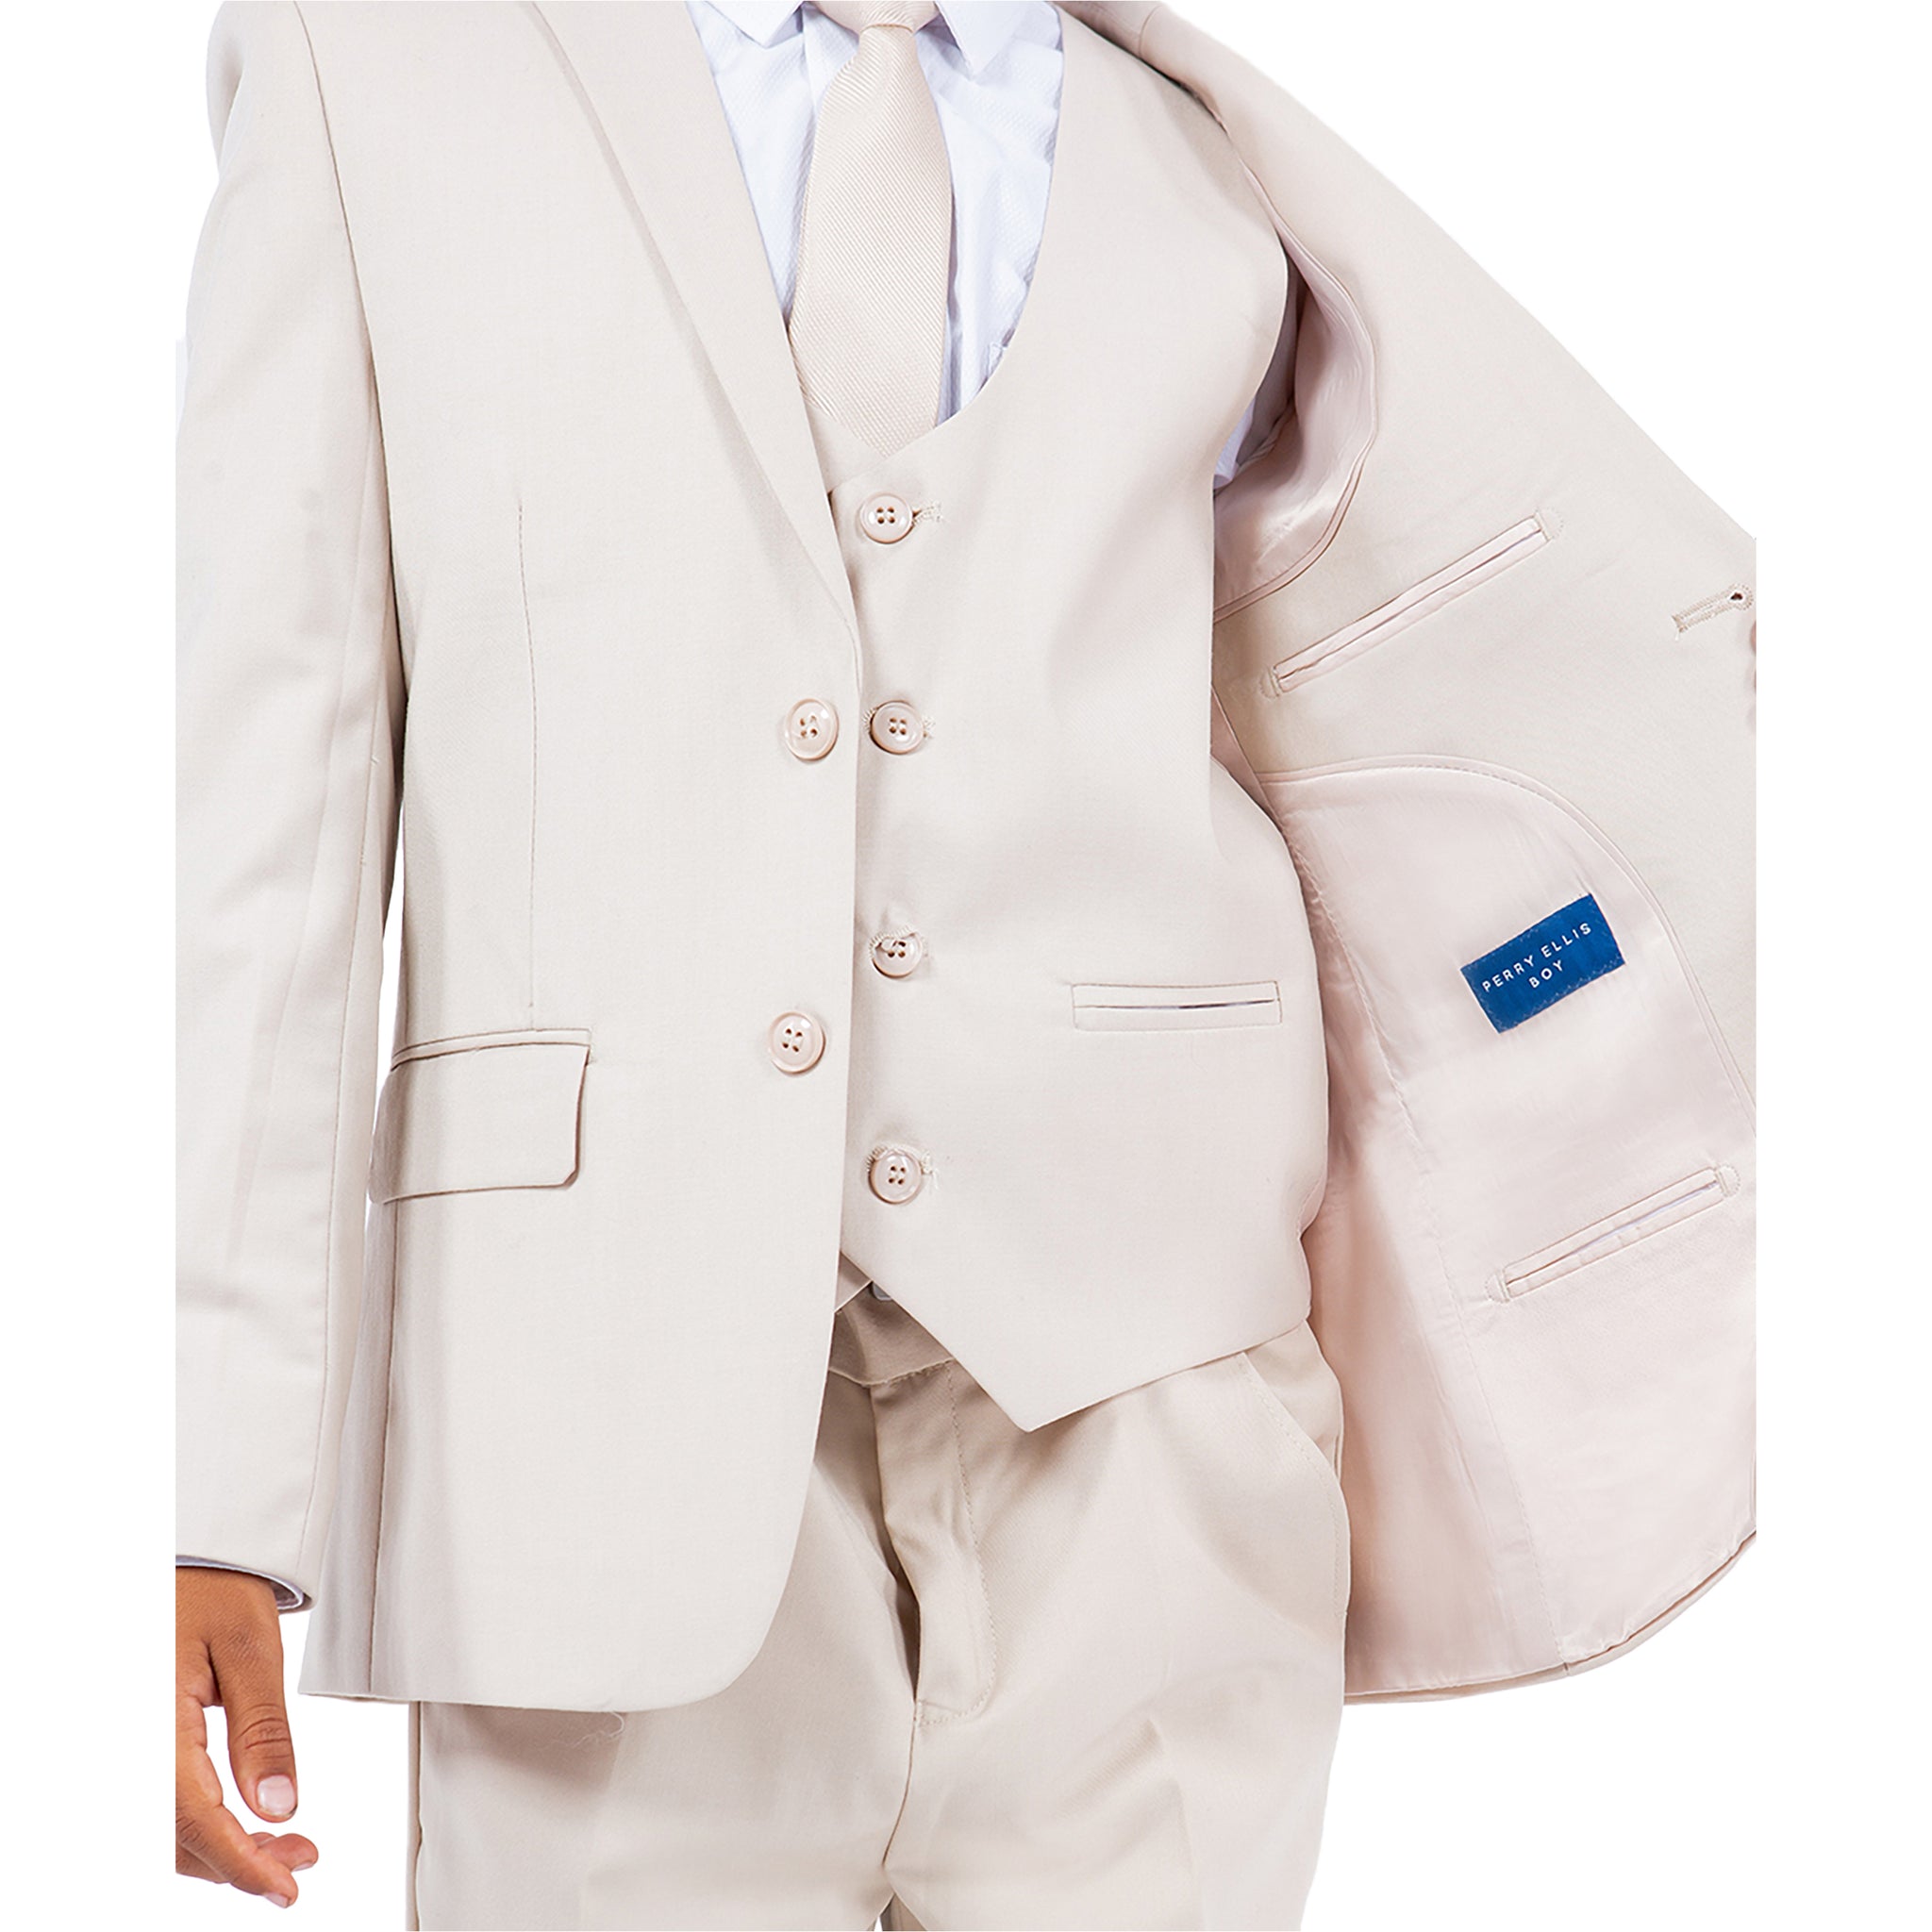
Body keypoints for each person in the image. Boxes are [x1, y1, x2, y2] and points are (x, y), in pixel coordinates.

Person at [175, 3, 1757, 1924]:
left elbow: (1452, 660)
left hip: (1154, 1415)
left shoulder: (1187, 140)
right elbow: (268, 802)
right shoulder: (374, 61)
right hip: (581, 1431)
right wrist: (205, 1493)